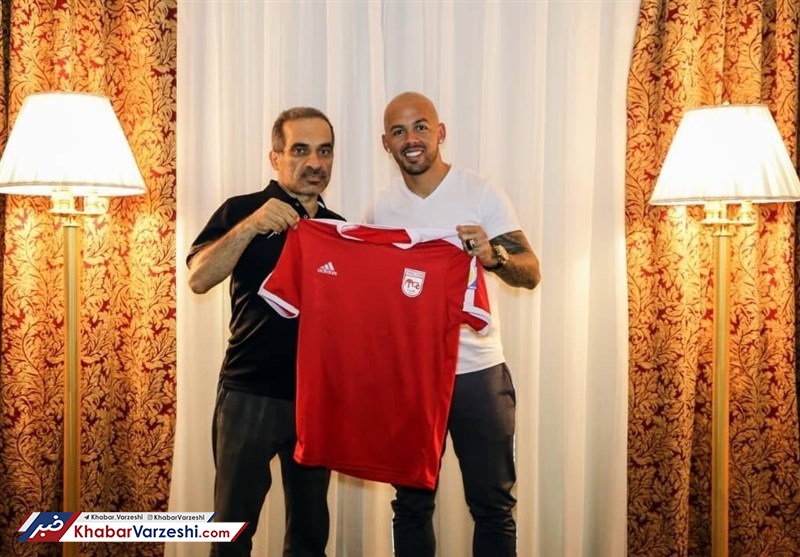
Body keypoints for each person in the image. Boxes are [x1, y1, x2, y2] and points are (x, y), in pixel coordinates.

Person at [364, 91, 541, 557]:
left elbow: (530, 271)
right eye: (399, 131)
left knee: (493, 505)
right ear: (386, 143)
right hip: (411, 376)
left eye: (421, 126)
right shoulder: (380, 207)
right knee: (411, 505)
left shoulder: (480, 192)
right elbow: (367, 285)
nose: (411, 139)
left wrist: (492, 254)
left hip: (477, 372)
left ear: (440, 132)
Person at [187, 107, 344, 557]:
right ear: (275, 157)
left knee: (310, 537)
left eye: (324, 151)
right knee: (232, 534)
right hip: (248, 394)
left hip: (315, 400)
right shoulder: (241, 210)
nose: (314, 162)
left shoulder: (340, 228)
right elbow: (199, 278)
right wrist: (252, 225)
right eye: (300, 150)